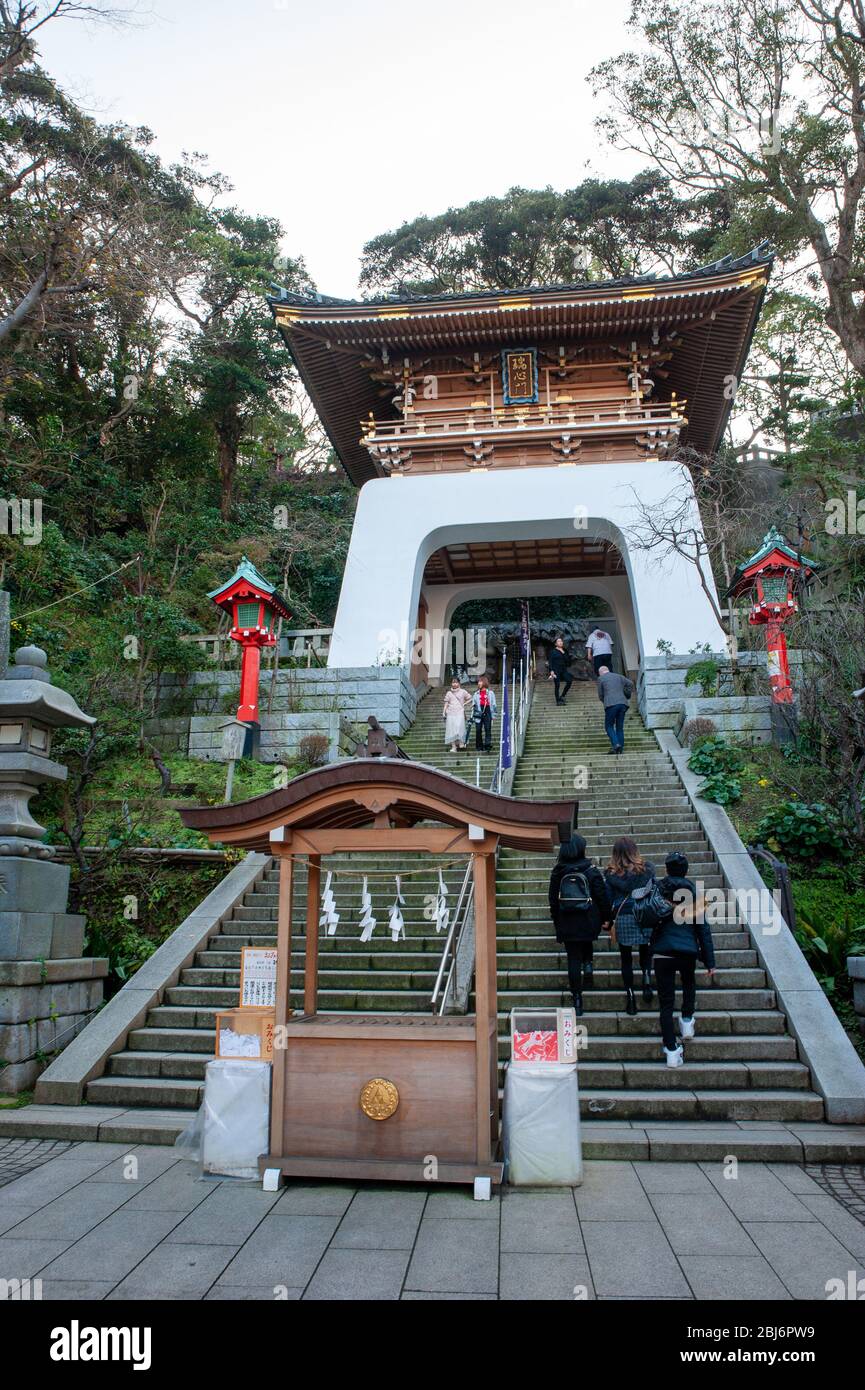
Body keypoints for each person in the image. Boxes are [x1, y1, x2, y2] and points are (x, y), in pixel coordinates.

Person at [654, 851, 716, 1066]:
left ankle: (671, 1050)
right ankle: (687, 1019)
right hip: (687, 949)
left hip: (662, 950)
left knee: (665, 1002)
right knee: (689, 983)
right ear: (686, 870)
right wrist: (709, 961)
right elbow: (703, 929)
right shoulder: (695, 893)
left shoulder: (657, 889)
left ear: (667, 868)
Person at [548, 834, 611, 1016]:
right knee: (586, 941)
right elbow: (601, 896)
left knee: (573, 958)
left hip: (567, 920)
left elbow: (553, 900)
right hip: (589, 919)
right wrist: (607, 917)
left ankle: (577, 998)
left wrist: (557, 920)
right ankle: (589, 965)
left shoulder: (558, 872)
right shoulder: (590, 870)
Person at [604, 836, 656, 1015]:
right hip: (644, 914)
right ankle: (647, 979)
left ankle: (631, 996)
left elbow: (608, 899)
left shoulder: (611, 874)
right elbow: (654, 893)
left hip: (624, 915)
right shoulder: (647, 870)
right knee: (645, 949)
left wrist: (608, 920)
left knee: (625, 957)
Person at [597, 665, 633, 754]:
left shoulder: (601, 679)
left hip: (611, 704)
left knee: (608, 726)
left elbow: (601, 694)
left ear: (600, 673)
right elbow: (630, 683)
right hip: (623, 704)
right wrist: (627, 694)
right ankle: (620, 748)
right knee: (619, 727)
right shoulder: (619, 676)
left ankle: (616, 744)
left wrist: (604, 701)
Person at [442, 677, 471, 752]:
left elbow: (470, 698)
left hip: (460, 712)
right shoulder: (449, 693)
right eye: (453, 682)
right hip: (450, 713)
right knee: (451, 730)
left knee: (460, 728)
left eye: (456, 682)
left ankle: (461, 742)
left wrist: (464, 704)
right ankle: (453, 747)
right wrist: (444, 711)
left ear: (459, 683)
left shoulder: (463, 691)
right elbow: (446, 703)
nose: (454, 684)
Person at [471, 676, 497, 752]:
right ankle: (479, 746)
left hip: (488, 711)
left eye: (480, 681)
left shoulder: (491, 693)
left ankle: (487, 745)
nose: (479, 683)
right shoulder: (476, 694)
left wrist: (493, 715)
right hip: (478, 711)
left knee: (487, 729)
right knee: (478, 729)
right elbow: (474, 703)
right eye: (478, 682)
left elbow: (494, 704)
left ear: (484, 682)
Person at [547, 636, 575, 705]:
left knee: (569, 680)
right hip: (556, 670)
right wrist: (551, 671)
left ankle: (562, 695)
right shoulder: (553, 651)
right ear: (556, 644)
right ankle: (558, 701)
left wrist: (563, 653)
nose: (561, 642)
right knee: (557, 685)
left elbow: (568, 661)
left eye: (561, 641)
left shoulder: (565, 651)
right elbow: (550, 661)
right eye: (559, 641)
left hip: (563, 670)